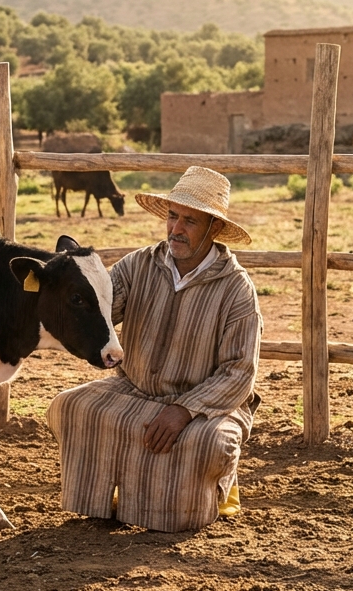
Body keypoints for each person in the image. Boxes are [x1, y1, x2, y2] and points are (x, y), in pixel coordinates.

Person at [47, 166, 263, 532]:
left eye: (189, 222)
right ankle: (117, 499)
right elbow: (101, 310)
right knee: (68, 407)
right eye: (173, 217)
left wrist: (184, 410)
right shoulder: (139, 264)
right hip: (134, 388)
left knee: (211, 444)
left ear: (213, 229)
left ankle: (202, 499)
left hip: (205, 405)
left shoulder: (237, 290)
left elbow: (239, 372)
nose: (175, 229)